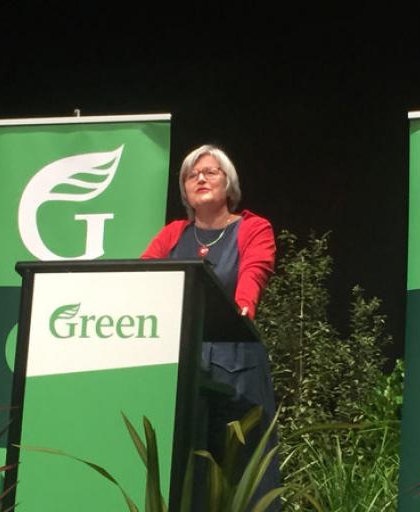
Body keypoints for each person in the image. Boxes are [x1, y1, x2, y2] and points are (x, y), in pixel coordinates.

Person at [142, 144, 279, 510]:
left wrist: (243, 305)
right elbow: (140, 278)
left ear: (229, 184)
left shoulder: (254, 228)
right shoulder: (172, 234)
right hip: (183, 369)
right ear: (185, 190)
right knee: (188, 479)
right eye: (191, 174)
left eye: (210, 172)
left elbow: (255, 271)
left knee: (244, 478)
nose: (200, 178)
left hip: (238, 369)